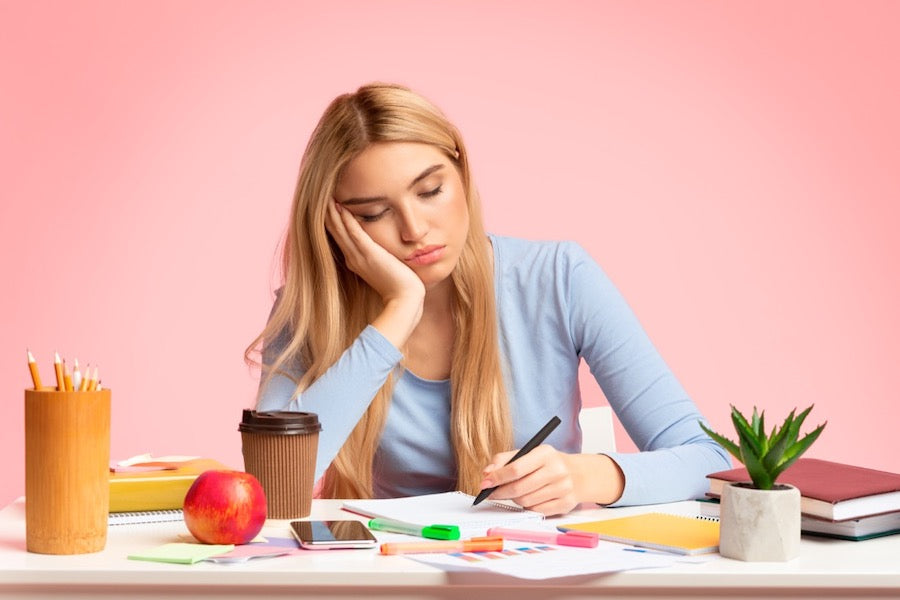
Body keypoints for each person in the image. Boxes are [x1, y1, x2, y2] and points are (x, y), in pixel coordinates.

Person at [246, 82, 730, 516]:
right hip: (392, 581)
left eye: (431, 190)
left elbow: (707, 458)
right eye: (374, 214)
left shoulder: (559, 278)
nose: (414, 230)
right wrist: (398, 311)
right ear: (336, 227)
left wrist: (586, 476)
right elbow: (268, 486)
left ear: (462, 174)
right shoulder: (311, 313)